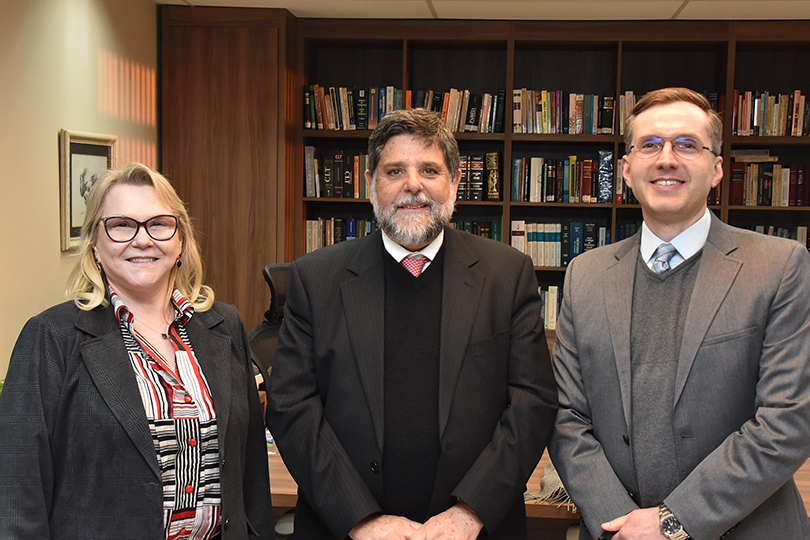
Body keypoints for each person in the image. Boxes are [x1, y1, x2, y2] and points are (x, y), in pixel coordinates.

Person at [267, 108, 557, 540]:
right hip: (346, 530)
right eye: (395, 171)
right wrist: (361, 519)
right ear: (371, 184)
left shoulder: (507, 274)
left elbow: (533, 403)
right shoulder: (314, 278)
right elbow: (291, 407)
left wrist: (469, 514)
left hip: (475, 531)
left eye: (429, 170)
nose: (413, 185)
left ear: (454, 182)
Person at [549, 87, 810, 540]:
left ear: (717, 169)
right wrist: (622, 525)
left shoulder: (780, 266)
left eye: (688, 145)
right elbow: (566, 417)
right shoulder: (585, 275)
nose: (666, 159)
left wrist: (672, 522)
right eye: (650, 145)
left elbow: (787, 423)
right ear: (627, 169)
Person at [0, 163, 273, 540]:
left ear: (180, 240)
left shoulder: (223, 326)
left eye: (159, 224)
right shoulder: (51, 338)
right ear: (95, 244)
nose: (142, 239)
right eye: (121, 225)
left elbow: (252, 476)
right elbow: (18, 493)